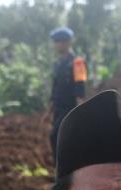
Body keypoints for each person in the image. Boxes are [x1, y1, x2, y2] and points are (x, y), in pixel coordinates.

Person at [48, 26, 87, 161]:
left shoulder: (77, 62)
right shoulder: (59, 64)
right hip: (59, 107)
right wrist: (50, 108)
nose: (58, 45)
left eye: (61, 41)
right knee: (60, 139)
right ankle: (63, 172)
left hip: (70, 107)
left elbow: (79, 86)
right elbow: (56, 86)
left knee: (55, 137)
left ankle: (65, 172)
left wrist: (80, 108)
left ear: (68, 42)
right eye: (56, 42)